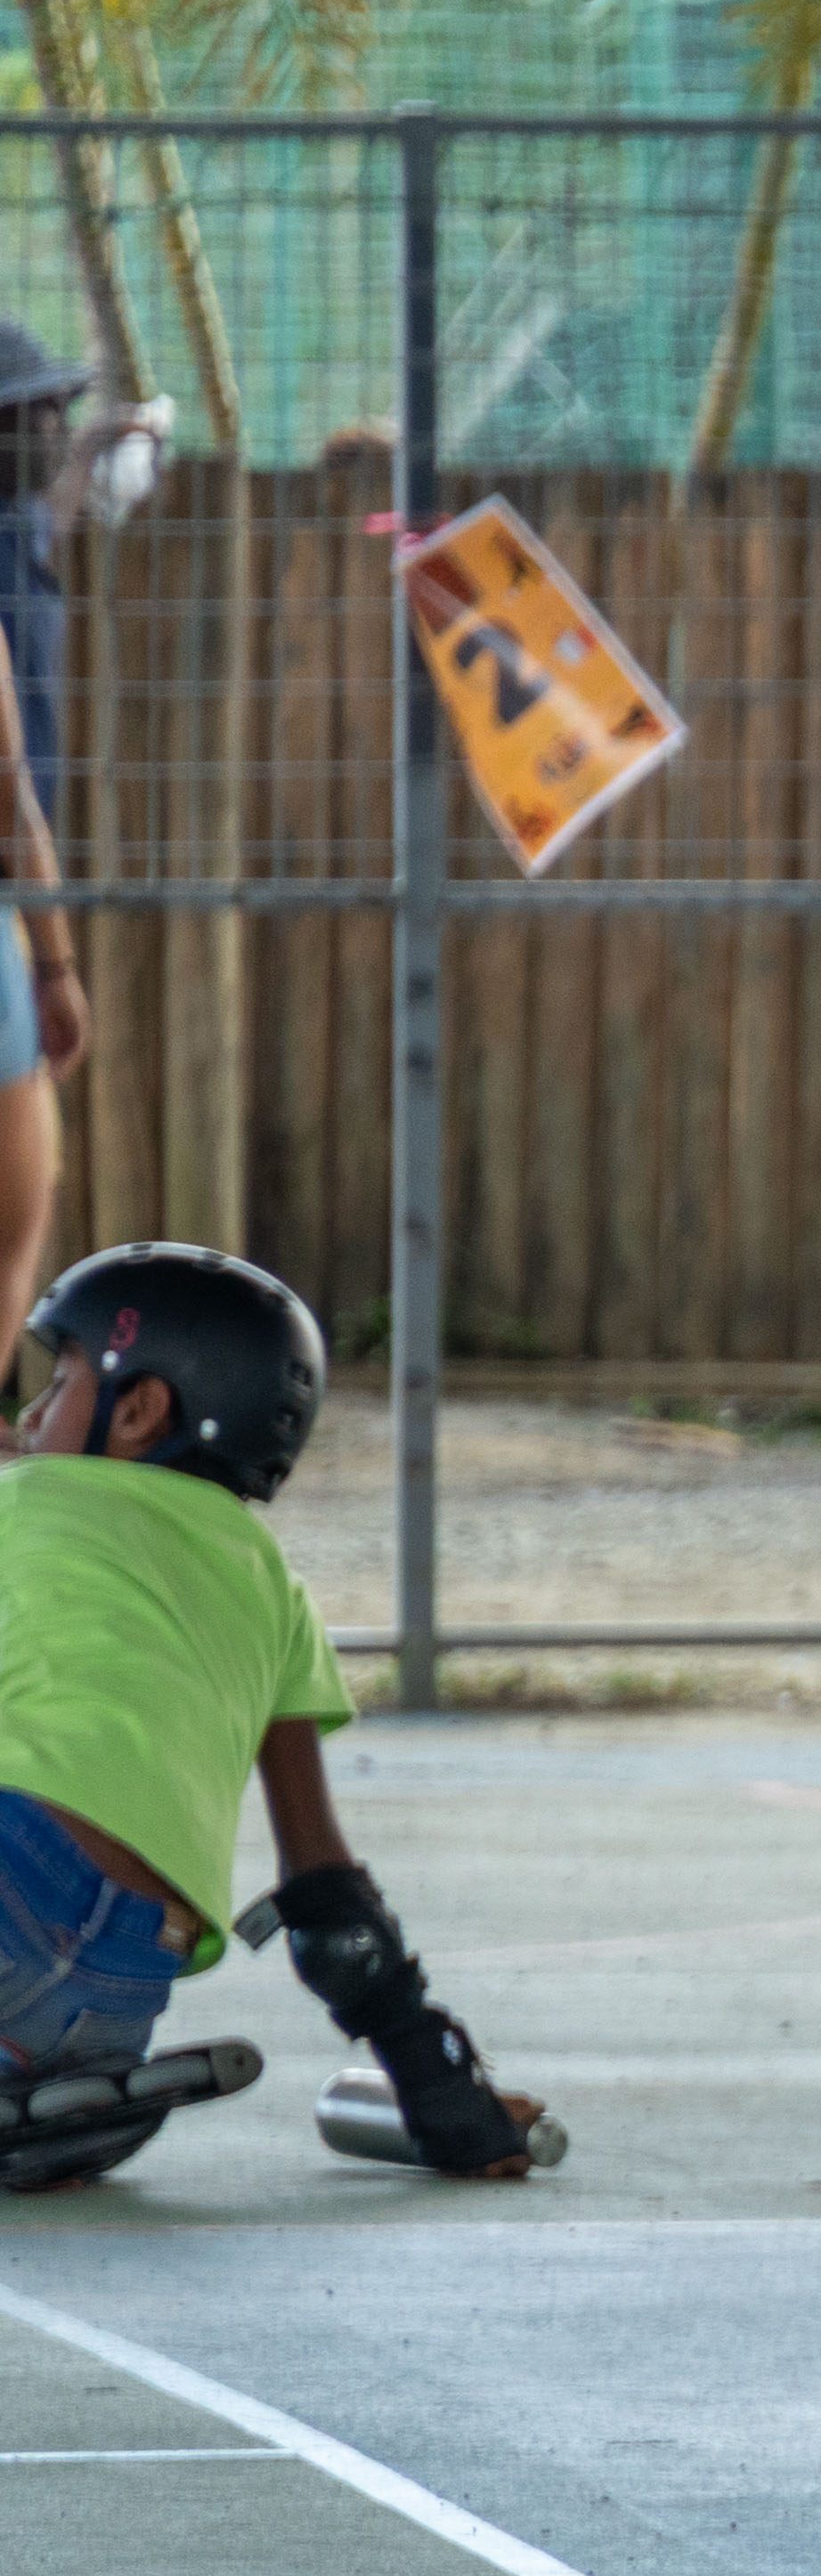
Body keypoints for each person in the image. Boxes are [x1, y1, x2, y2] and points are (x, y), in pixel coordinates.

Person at [0, 1246, 545, 2187]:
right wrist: (432, 2080)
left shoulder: (25, 1499)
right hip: (117, 1992)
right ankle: (41, 2069)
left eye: (60, 1383)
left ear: (138, 1412)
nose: (27, 1416)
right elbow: (325, 1894)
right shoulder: (275, 1591)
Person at [0, 321, 101, 1322]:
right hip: (8, 891)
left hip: (17, 889)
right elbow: (10, 785)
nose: (56, 425)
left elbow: (44, 527)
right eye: (38, 410)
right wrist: (54, 959)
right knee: (17, 1217)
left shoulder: (22, 522)